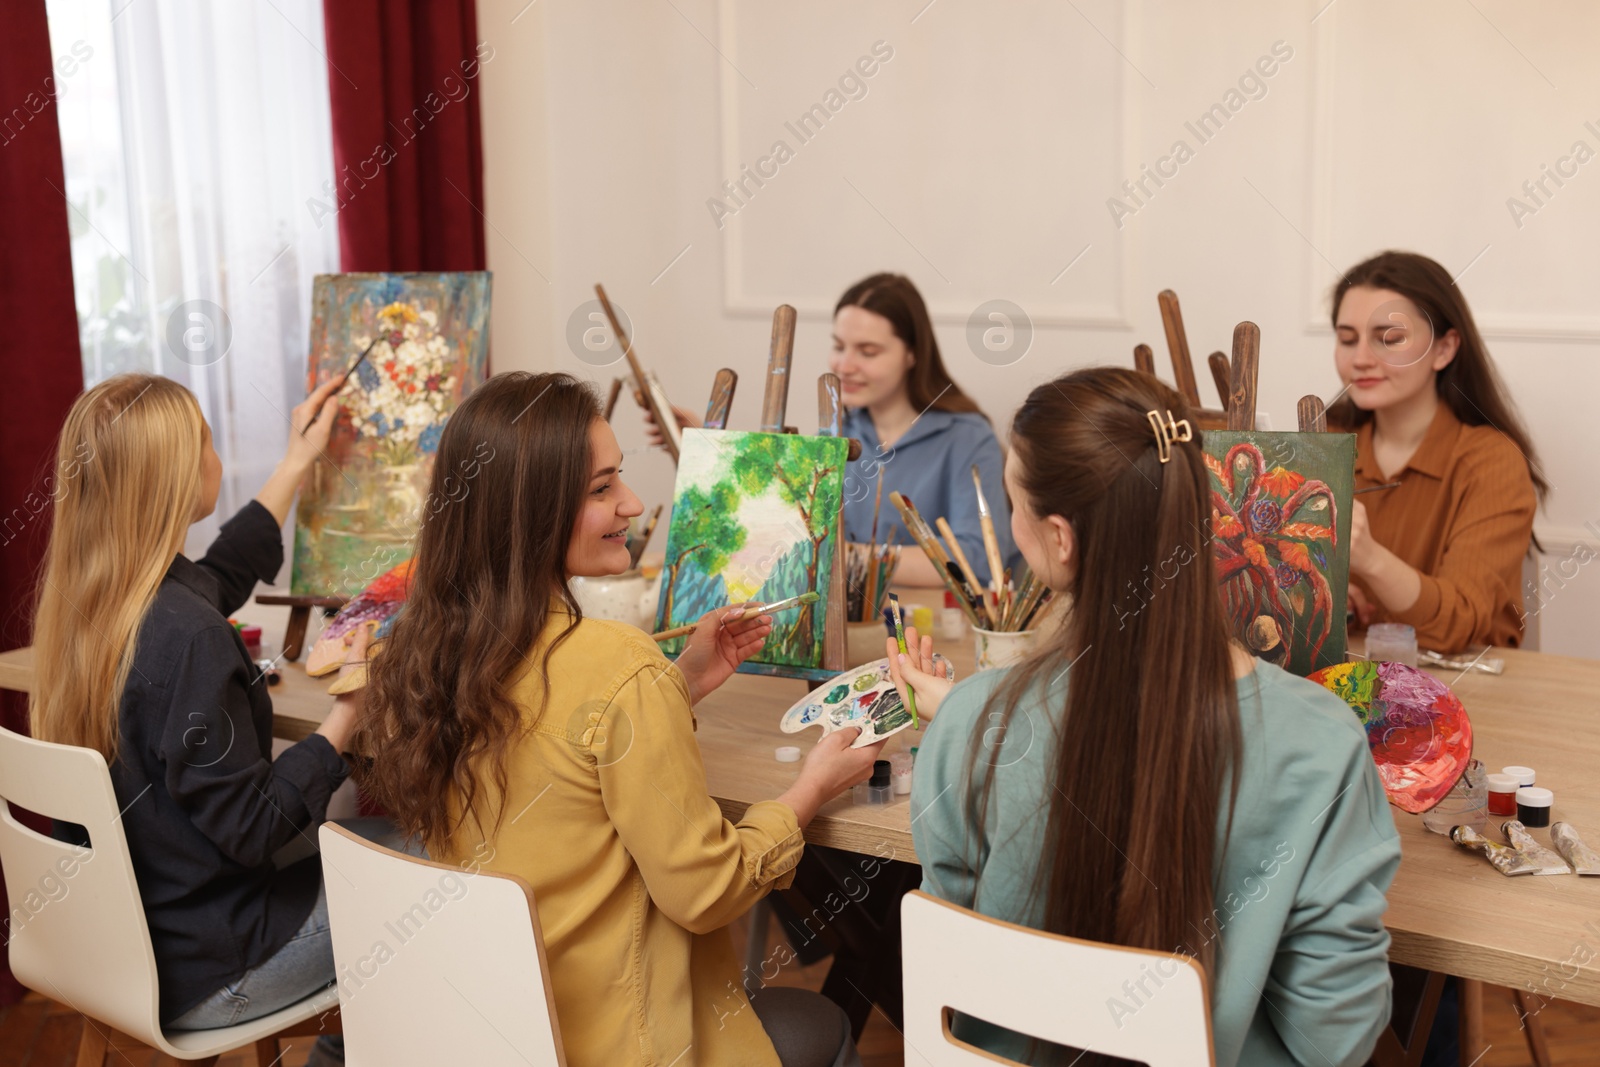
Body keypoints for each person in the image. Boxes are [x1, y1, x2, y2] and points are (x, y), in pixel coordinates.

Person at [357, 371, 882, 1067]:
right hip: (627, 1044)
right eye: (601, 489)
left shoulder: (427, 650)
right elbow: (705, 891)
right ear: (532, 510)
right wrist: (810, 790)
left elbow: (559, 749)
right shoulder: (616, 665)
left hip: (496, 1034)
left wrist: (675, 685)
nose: (633, 504)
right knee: (819, 1019)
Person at [887, 368, 1401, 1066]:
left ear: (1061, 539)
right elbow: (1333, 1038)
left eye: (1013, 504)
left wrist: (974, 722)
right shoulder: (1324, 746)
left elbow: (957, 964)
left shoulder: (974, 720)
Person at [31, 373, 370, 1065]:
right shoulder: (188, 635)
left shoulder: (88, 605)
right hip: (213, 966)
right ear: (173, 477)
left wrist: (297, 461)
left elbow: (220, 572)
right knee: (425, 868)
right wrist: (349, 715)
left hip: (125, 946)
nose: (217, 454)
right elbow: (253, 827)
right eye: (208, 441)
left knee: (359, 837)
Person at [643, 272, 1019, 587]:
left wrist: (842, 554)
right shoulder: (838, 432)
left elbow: (978, 561)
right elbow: (777, 524)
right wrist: (705, 443)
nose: (844, 364)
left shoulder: (968, 438)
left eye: (868, 352)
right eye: (839, 346)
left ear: (912, 353)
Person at [1328, 250, 1544, 651]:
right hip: (1340, 692)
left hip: (1468, 700)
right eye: (1347, 339)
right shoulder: (1325, 438)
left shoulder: (1492, 463)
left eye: (1389, 338)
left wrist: (1370, 560)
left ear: (1444, 349)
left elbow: (1458, 625)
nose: (1359, 359)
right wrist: (1328, 600)